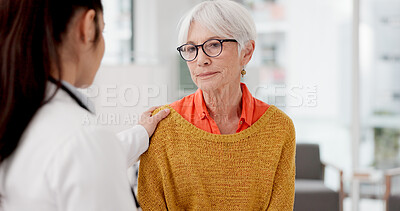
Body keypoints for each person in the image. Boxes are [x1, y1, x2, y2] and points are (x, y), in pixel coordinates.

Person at [0, 0, 169, 210]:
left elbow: (75, 161)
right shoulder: (84, 138)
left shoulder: (16, 115)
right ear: (88, 28)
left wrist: (141, 133)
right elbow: (83, 153)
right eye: (103, 31)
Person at [137, 0, 296, 210]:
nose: (200, 59)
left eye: (213, 45)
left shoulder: (279, 128)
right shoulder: (161, 126)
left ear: (246, 52)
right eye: (191, 48)